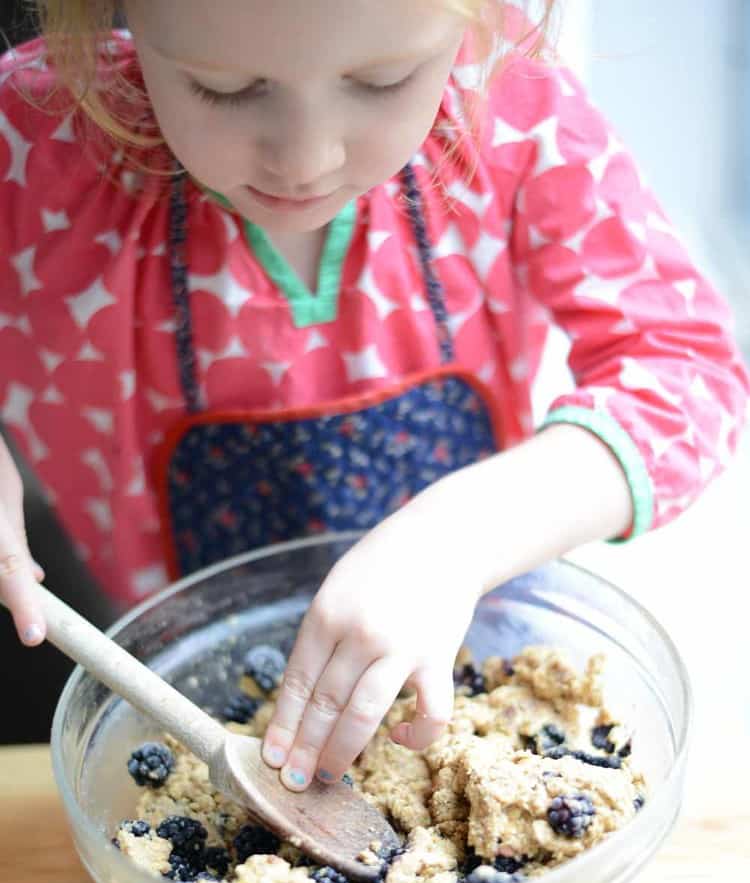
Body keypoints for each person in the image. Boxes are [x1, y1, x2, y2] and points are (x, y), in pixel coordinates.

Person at [0, 0, 747, 792]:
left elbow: (687, 367)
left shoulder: (511, 106)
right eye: (224, 88)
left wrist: (456, 542)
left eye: (383, 79)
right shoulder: (29, 140)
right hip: (186, 691)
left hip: (475, 661)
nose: (306, 159)